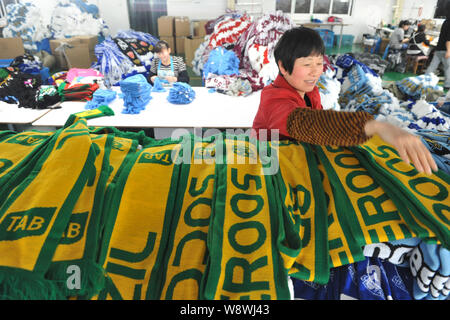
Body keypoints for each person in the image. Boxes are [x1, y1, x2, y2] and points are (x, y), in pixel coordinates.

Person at [252, 27, 438, 175]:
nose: (316, 71)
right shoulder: (273, 99)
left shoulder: (309, 91)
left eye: (319, 63)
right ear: (283, 66)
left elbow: (320, 122)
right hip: (270, 167)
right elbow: (303, 122)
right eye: (307, 64)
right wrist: (373, 126)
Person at [426, 4, 450, 90]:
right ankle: (447, 85)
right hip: (445, 49)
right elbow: (448, 39)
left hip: (438, 48)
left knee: (432, 66)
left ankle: (425, 80)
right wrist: (449, 51)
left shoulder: (445, 21)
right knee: (448, 68)